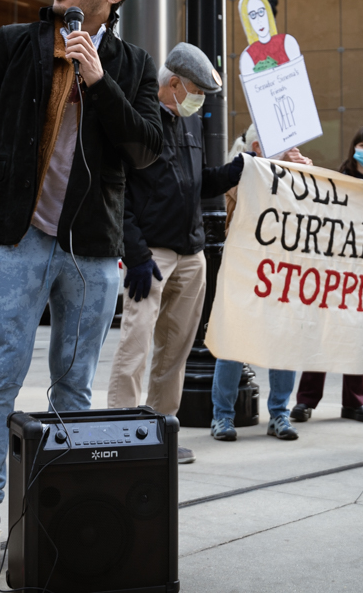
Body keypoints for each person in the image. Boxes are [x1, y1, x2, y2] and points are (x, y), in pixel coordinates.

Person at [0, 0, 162, 589]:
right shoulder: (15, 44)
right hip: (18, 237)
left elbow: (147, 148)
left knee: (73, 387)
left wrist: (98, 79)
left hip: (92, 249)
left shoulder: (132, 64)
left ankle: (61, 513)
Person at [106, 43, 242, 465]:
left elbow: (200, 182)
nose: (200, 100)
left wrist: (244, 166)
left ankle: (160, 429)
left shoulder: (190, 125)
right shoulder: (139, 119)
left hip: (191, 253)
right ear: (175, 84)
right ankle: (123, 431)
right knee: (136, 342)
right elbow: (120, 191)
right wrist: (136, 253)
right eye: (197, 90)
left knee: (176, 349)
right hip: (153, 254)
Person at [210, 124, 312, 443]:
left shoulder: (295, 173)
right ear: (257, 146)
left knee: (283, 343)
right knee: (233, 344)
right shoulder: (240, 172)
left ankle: (279, 413)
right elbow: (241, 200)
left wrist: (305, 176)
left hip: (283, 269)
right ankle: (222, 417)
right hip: (246, 268)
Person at [290, 126, 363, 425]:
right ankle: (306, 400)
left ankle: (354, 403)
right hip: (333, 270)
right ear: (354, 147)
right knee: (321, 333)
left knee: (357, 337)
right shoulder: (338, 180)